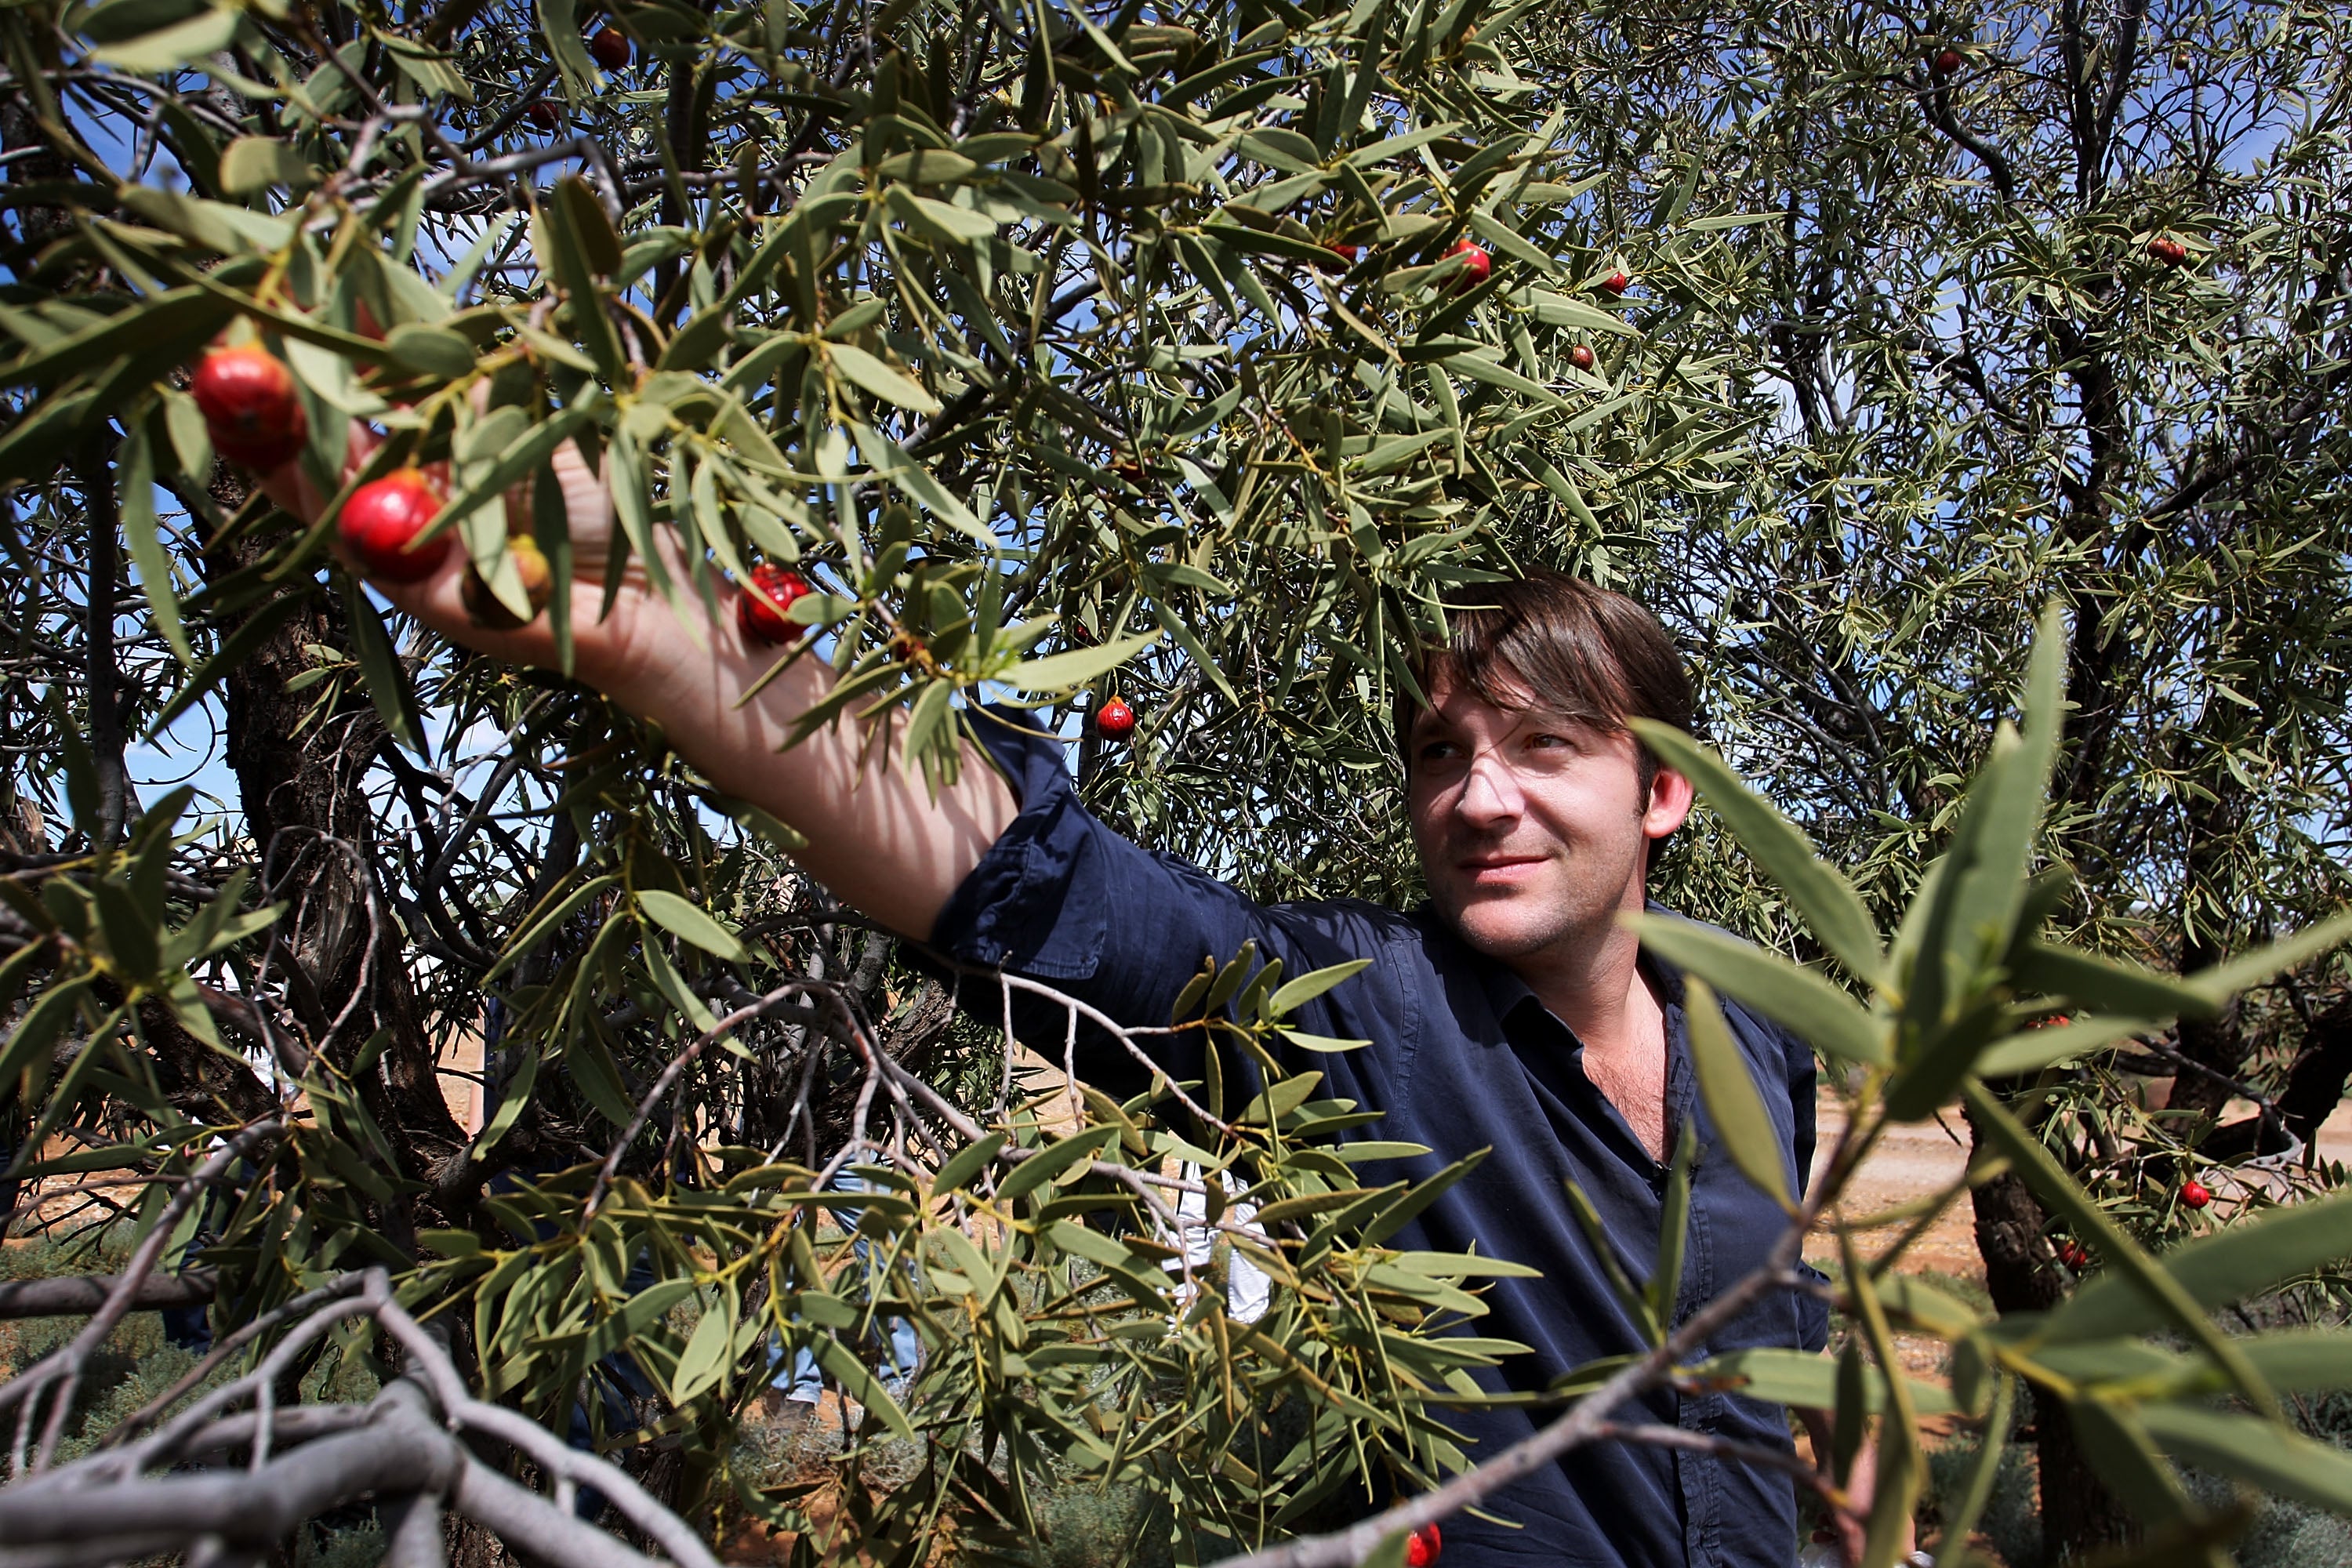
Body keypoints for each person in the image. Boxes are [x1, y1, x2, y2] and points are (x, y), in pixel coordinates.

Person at [270, 441, 1897, 1567]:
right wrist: (677, 642)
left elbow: (1791, 1347)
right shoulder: (1367, 1021)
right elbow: (1046, 893)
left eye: (1543, 749)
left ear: (1668, 793)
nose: (1478, 798)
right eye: (1441, 755)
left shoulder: (1756, 1047)